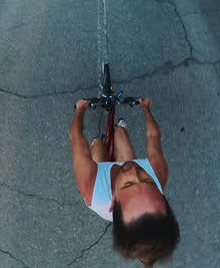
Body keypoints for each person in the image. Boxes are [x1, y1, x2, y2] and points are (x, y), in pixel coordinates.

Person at [69, 97, 180, 266]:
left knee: (97, 145)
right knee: (120, 134)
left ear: (113, 203)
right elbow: (153, 135)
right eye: (147, 181)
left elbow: (76, 137)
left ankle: (105, 140)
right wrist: (146, 109)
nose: (133, 170)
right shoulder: (158, 172)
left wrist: (80, 110)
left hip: (98, 176)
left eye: (128, 184)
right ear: (160, 194)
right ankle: (119, 132)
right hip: (109, 178)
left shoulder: (91, 188)